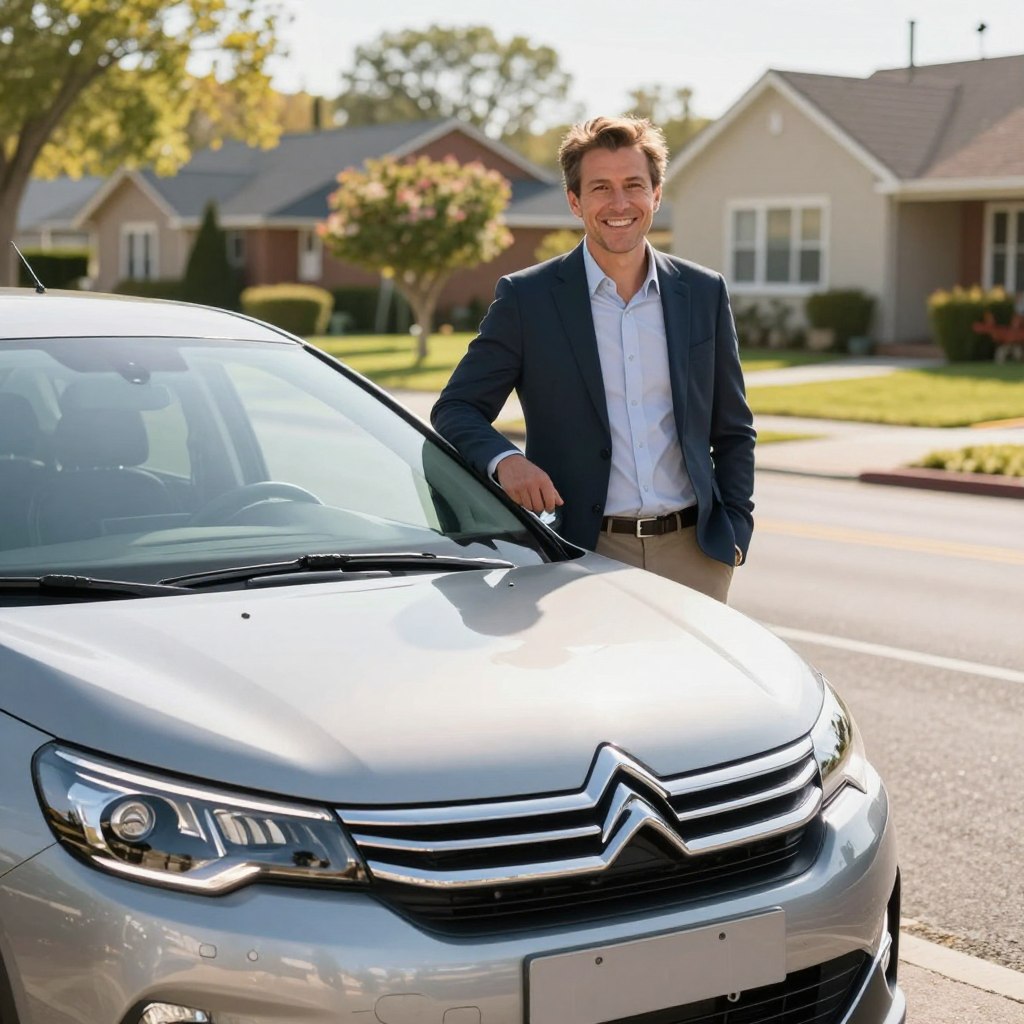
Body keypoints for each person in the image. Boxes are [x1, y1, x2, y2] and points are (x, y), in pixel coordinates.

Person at [431, 116, 755, 602]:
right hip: (585, 552)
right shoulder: (529, 298)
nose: (620, 203)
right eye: (601, 187)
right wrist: (507, 461)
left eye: (634, 186)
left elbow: (732, 429)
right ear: (575, 201)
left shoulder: (702, 292)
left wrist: (735, 534)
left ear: (657, 195)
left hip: (695, 556)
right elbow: (456, 409)